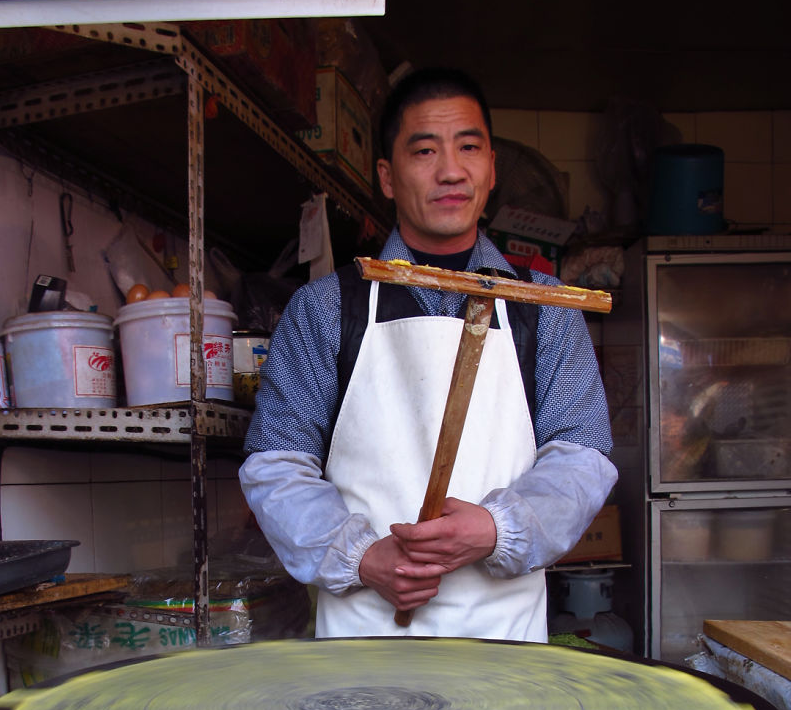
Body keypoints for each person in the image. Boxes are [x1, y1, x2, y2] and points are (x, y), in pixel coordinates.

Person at [240, 66, 617, 641]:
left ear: (491, 168)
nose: (450, 171)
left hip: (506, 650)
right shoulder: (325, 308)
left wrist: (496, 528)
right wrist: (365, 557)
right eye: (424, 151)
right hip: (365, 644)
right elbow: (276, 466)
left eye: (469, 147)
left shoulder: (545, 307)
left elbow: (582, 458)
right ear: (387, 178)